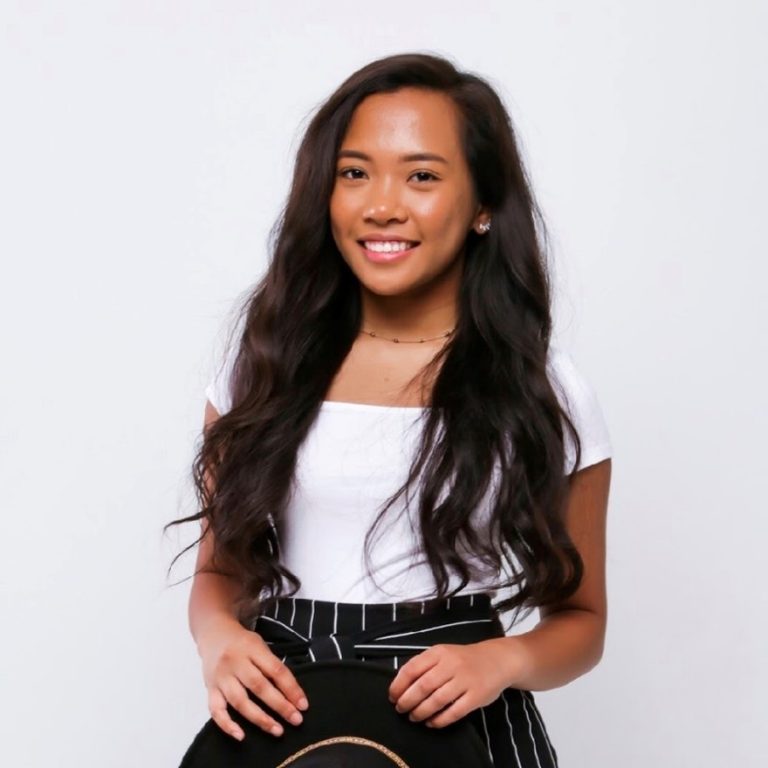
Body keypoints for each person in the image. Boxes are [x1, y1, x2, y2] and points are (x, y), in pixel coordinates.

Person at [167, 52, 612, 767]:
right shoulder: (263, 367)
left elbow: (582, 622)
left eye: (423, 176)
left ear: (485, 206)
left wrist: (499, 663)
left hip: (462, 723)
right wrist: (219, 638)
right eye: (354, 172)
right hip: (294, 714)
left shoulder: (543, 388)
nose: (382, 204)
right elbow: (220, 574)